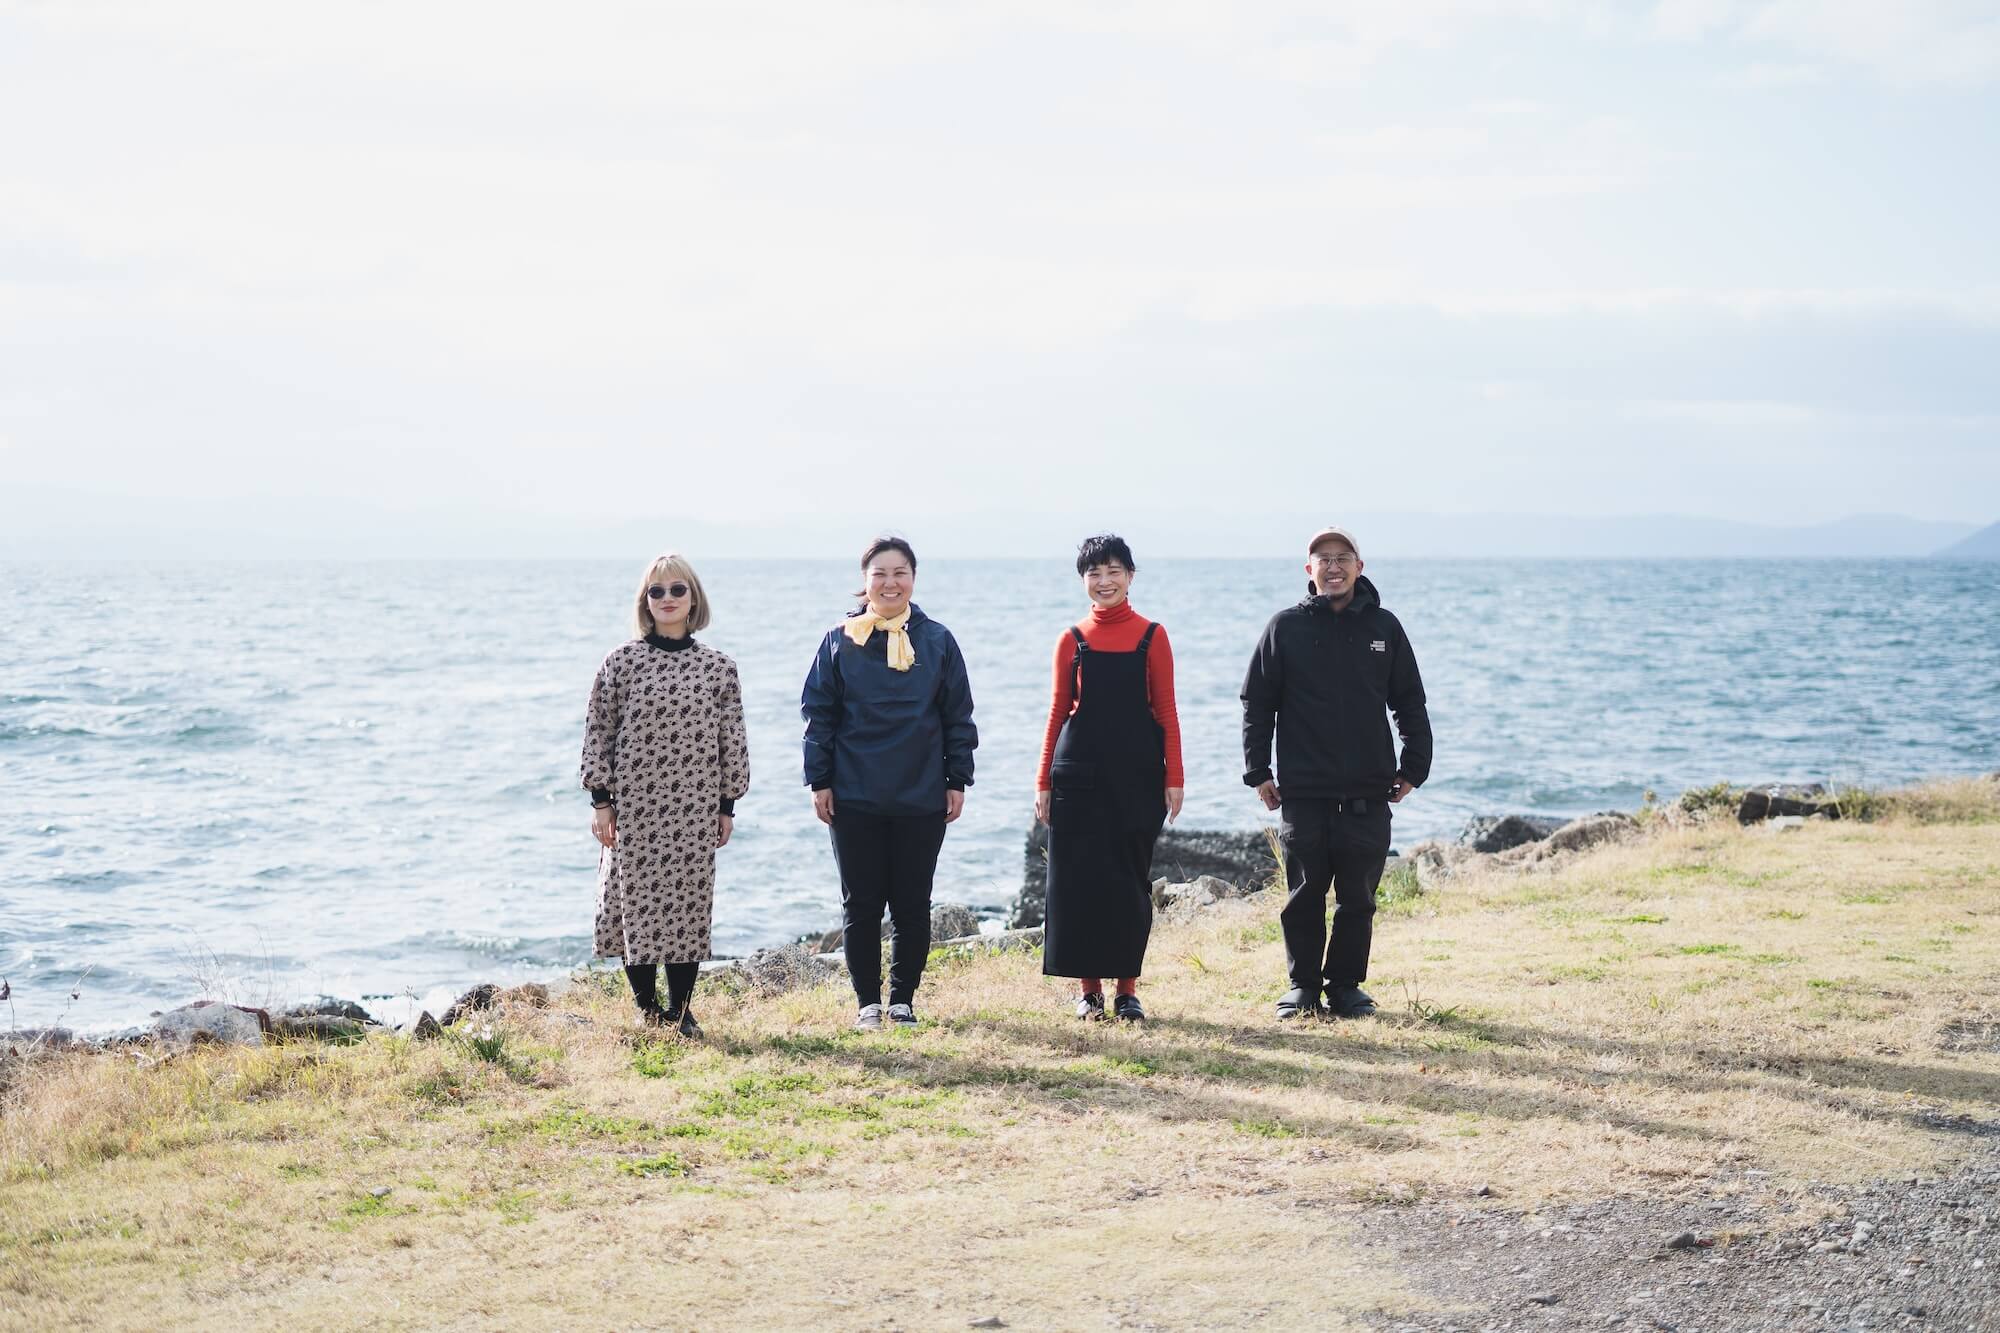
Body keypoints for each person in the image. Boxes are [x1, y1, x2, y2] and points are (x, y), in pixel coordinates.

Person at [1240, 525, 1431, 1021]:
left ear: (1359, 567)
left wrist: (1415, 768)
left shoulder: (1384, 628)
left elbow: (1409, 702)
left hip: (1370, 790)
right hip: (1303, 790)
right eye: (1322, 558)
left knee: (1358, 898)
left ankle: (1346, 986)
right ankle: (1302, 987)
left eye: (1342, 556)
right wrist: (1257, 769)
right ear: (1309, 571)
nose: (1333, 565)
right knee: (1303, 896)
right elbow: (1257, 703)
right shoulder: (1285, 627)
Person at [801, 536, 977, 1031]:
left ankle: (902, 1001)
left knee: (912, 901)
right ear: (865, 581)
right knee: (860, 902)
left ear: (914, 579)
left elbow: (957, 715)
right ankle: (866, 1004)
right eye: (880, 573)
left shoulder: (937, 639)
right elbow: (819, 714)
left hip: (921, 793)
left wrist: (956, 778)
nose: (890, 582)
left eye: (900, 572)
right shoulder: (839, 640)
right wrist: (820, 780)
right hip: (853, 793)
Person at [580, 554, 750, 1037]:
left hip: (695, 807)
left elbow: (731, 739)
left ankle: (681, 1010)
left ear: (693, 598)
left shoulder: (719, 668)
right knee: (635, 903)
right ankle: (646, 1008)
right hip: (635, 807)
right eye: (658, 592)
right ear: (645, 601)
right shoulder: (621, 662)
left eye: (678, 590)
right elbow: (598, 732)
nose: (668, 599)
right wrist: (600, 801)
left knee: (688, 905)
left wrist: (726, 805)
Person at [1034, 534, 1184, 1022]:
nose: (1104, 581)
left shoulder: (1152, 636)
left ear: (1131, 576)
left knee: (1127, 881)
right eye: (1094, 573)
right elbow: (1058, 712)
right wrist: (1043, 781)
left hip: (1137, 775)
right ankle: (1089, 991)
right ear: (1084, 580)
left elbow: (1165, 710)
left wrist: (1174, 774)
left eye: (1113, 571)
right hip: (1076, 775)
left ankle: (1127, 991)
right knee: (1077, 882)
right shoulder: (1071, 639)